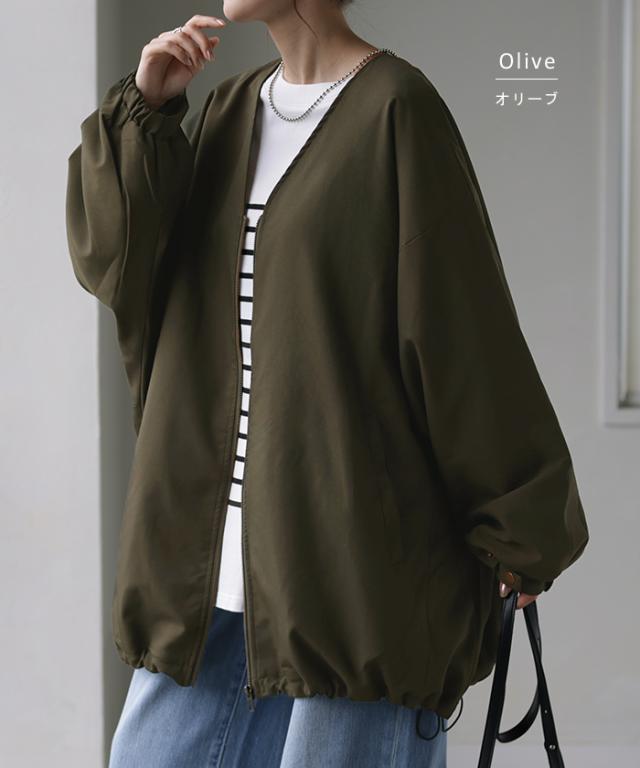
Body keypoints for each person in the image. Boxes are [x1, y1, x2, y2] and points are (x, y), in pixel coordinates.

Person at [65, 2, 589, 767]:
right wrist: (145, 113)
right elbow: (117, 263)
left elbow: (460, 329)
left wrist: (522, 526)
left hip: (353, 584)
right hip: (206, 575)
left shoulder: (397, 111)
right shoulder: (228, 109)